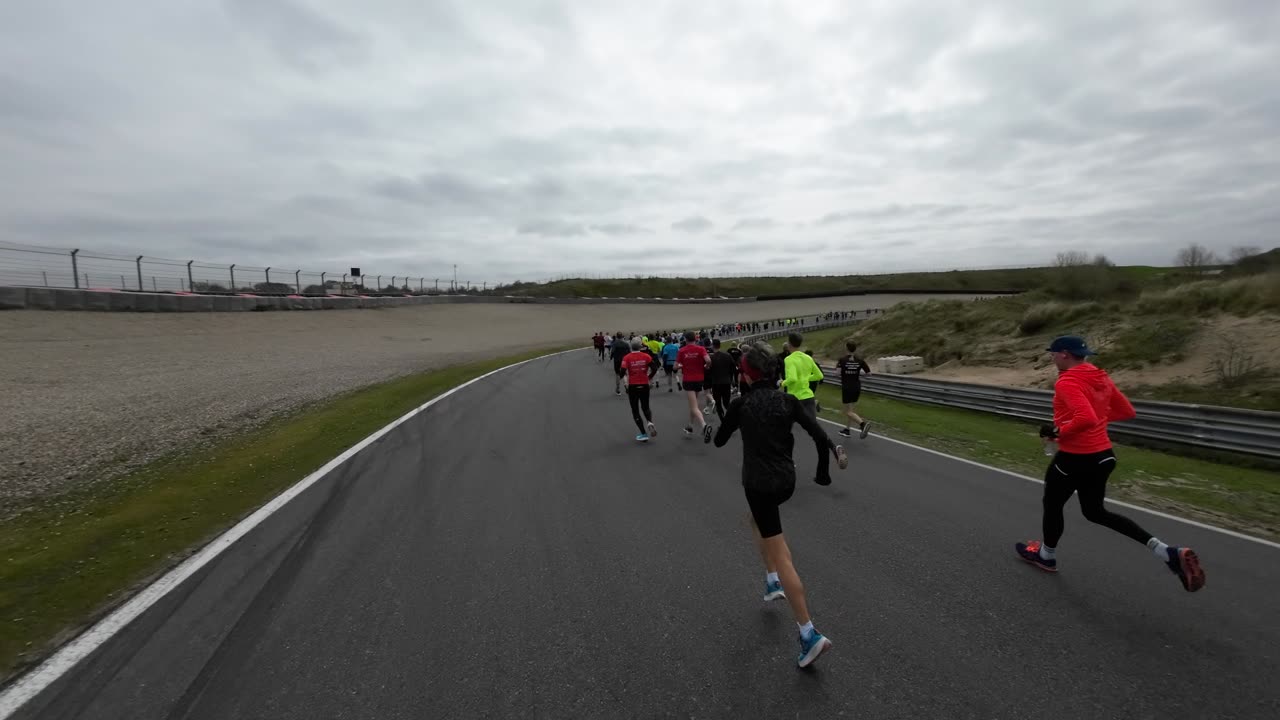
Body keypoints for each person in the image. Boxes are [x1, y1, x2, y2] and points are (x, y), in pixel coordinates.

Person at [1015, 336, 1205, 592]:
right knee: (1095, 512)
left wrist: (1060, 431)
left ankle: (1046, 556)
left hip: (1076, 456)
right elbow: (1127, 411)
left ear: (1063, 354)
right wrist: (1092, 423)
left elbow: (1085, 418)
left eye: (1053, 354)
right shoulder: (1099, 376)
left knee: (1052, 504)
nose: (1051, 357)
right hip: (1104, 456)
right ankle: (1167, 552)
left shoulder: (1067, 381)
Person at [713, 342, 848, 668]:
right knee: (755, 520)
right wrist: (830, 458)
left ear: (745, 375)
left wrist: (728, 422)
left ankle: (808, 633)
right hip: (786, 481)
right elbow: (817, 433)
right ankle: (771, 579)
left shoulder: (740, 404)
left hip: (759, 485)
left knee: (780, 550)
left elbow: (719, 440)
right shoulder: (787, 400)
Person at [677, 330, 713, 442]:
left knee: (694, 407)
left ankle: (704, 426)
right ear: (695, 338)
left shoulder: (682, 350)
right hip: (699, 379)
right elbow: (708, 360)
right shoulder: (701, 349)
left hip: (688, 380)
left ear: (686, 339)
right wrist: (706, 366)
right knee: (694, 403)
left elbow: (675, 366)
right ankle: (690, 426)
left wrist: (682, 365)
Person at [621, 338, 660, 442]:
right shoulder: (646, 356)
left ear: (630, 346)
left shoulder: (626, 357)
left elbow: (622, 370)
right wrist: (649, 377)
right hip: (644, 384)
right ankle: (649, 421)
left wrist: (623, 378)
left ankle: (643, 433)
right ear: (640, 346)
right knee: (645, 406)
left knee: (635, 410)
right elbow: (655, 368)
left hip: (633, 385)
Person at [781, 333, 824, 419]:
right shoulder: (808, 357)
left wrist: (782, 383)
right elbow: (819, 375)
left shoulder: (789, 359)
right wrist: (806, 378)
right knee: (812, 427)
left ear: (789, 344)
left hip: (794, 398)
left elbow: (792, 378)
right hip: (808, 396)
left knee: (785, 426)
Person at [836, 341, 872, 439]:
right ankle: (847, 430)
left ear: (846, 348)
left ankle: (862, 424)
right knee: (851, 410)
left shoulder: (842, 360)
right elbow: (869, 374)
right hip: (856, 386)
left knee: (847, 412)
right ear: (855, 349)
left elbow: (837, 374)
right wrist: (857, 373)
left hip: (847, 387)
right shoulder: (860, 360)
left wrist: (846, 373)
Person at [707, 339, 736, 421]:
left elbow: (708, 370)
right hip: (726, 382)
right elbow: (733, 367)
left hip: (716, 383)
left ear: (713, 346)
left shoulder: (711, 358)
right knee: (727, 403)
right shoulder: (727, 355)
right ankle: (733, 418)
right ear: (720, 345)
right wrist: (730, 377)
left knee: (718, 403)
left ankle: (723, 420)